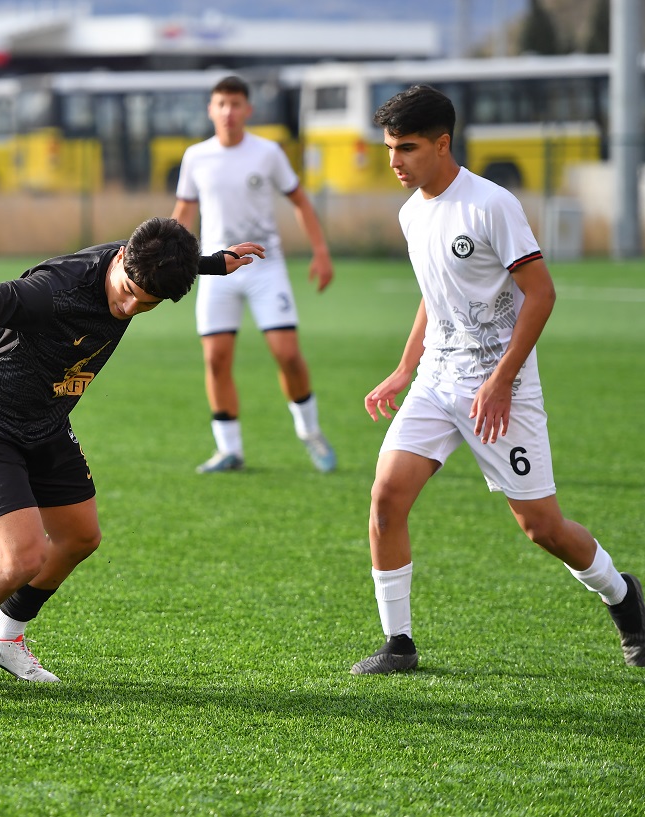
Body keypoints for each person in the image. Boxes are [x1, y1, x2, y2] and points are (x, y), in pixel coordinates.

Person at [0, 217, 263, 686]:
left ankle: (3, 637)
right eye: (127, 290)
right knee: (23, 558)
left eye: (144, 304)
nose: (127, 306)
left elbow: (155, 267)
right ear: (122, 260)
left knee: (81, 538)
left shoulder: (142, 263)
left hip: (44, 420)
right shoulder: (51, 292)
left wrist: (210, 264)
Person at [353, 84, 644, 675]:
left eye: (406, 148)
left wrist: (501, 380)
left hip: (500, 389)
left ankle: (625, 597)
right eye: (389, 148)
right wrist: (405, 367)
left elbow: (541, 294)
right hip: (436, 379)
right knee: (386, 497)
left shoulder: (491, 205)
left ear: (442, 143)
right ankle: (398, 642)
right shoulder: (411, 214)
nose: (395, 162)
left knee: (542, 528)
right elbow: (433, 297)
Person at [171, 74, 337, 474]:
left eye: (235, 104)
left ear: (248, 110)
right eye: (221, 104)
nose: (228, 112)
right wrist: (164, 260)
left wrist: (320, 251)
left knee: (287, 354)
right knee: (216, 359)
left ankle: (309, 431)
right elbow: (183, 214)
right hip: (217, 269)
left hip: (266, 267)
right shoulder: (196, 156)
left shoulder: (268, 153)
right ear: (211, 110)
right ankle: (229, 449)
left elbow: (300, 200)